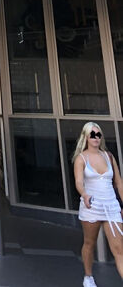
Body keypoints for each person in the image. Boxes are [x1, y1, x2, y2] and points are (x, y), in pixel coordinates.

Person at [73, 121, 123, 287]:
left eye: (98, 134)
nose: (96, 137)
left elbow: (119, 183)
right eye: (92, 134)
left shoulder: (108, 156)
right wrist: (85, 194)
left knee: (119, 249)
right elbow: (79, 182)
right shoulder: (81, 158)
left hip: (111, 206)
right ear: (86, 137)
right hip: (92, 206)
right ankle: (88, 276)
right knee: (89, 243)